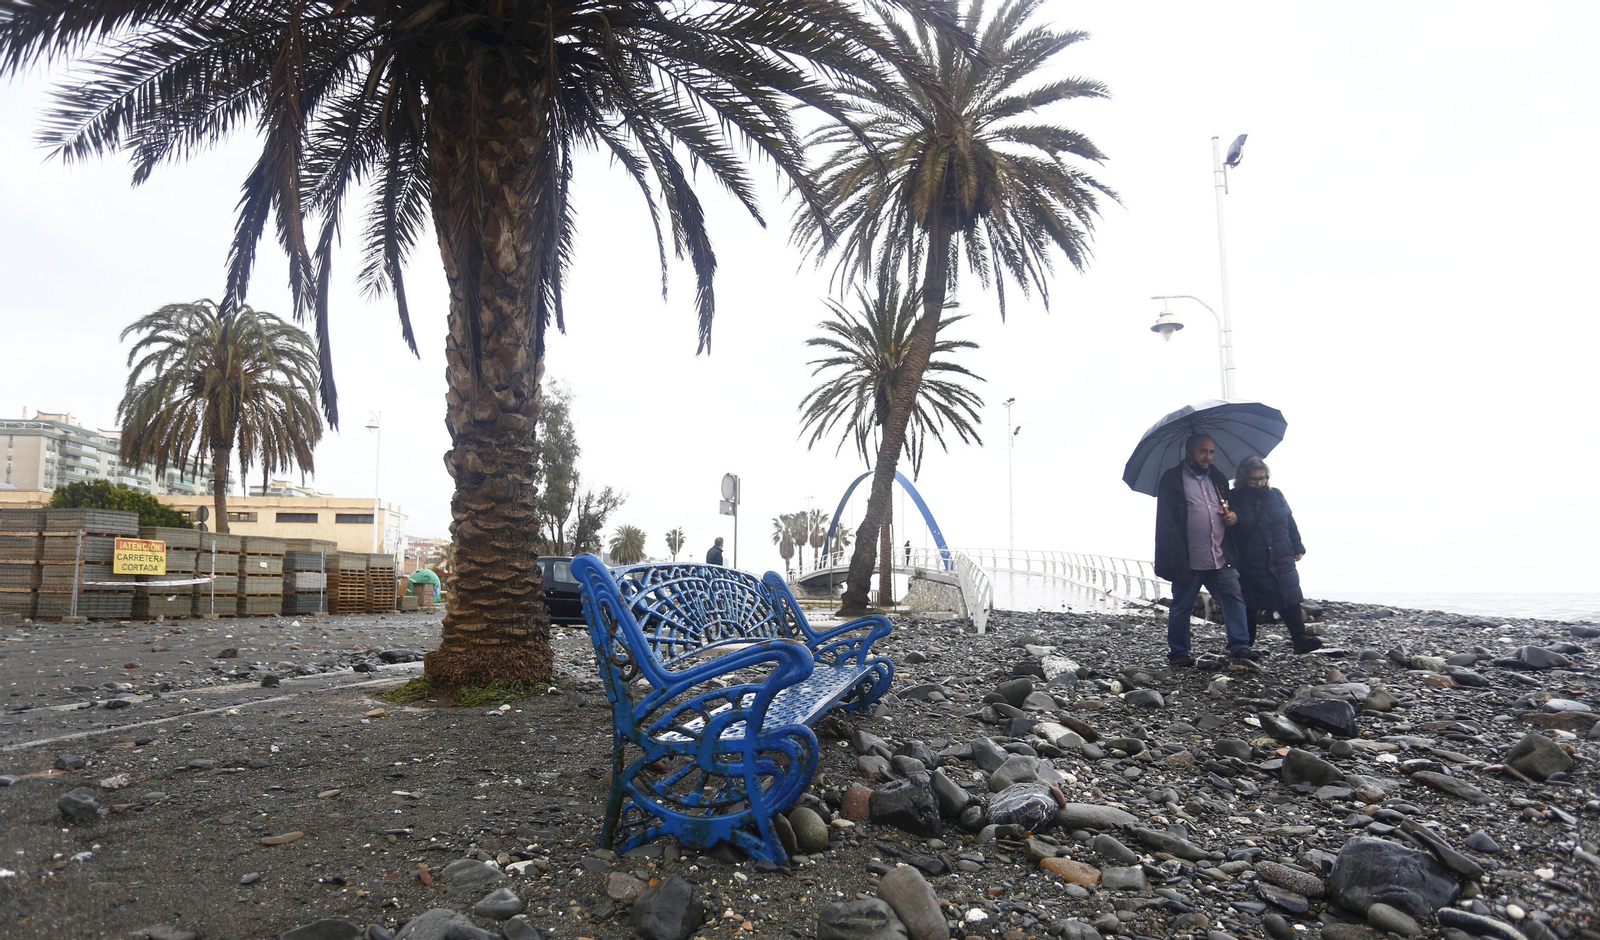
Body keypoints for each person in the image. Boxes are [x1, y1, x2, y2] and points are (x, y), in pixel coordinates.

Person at [1154, 433, 1254, 666]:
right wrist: (1175, 559)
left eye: (1211, 452)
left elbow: (1231, 507)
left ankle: (1239, 646)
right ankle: (1179, 653)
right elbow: (1166, 524)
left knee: (1234, 599)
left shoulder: (1217, 477)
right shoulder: (1172, 479)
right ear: (1189, 452)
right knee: (1181, 606)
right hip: (1189, 558)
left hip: (1220, 555)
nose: (1208, 456)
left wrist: (1233, 517)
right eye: (1203, 451)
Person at [1228, 456, 1322, 654]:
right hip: (1251, 560)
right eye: (1254, 480)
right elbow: (1229, 531)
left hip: (1281, 556)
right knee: (1250, 603)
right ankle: (1245, 646)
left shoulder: (1276, 495)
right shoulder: (1234, 498)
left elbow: (1289, 521)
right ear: (1244, 479)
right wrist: (1232, 519)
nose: (1260, 483)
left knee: (1290, 596)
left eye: (1263, 478)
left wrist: (1298, 545)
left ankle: (1300, 639)